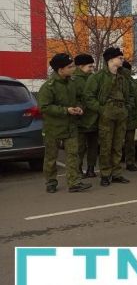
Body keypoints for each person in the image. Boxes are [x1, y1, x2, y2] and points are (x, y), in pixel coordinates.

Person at [38, 53, 91, 193]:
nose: (73, 68)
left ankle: (74, 183)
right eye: (70, 67)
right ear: (60, 70)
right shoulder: (49, 87)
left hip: (71, 126)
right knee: (51, 157)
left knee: (73, 154)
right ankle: (51, 182)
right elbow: (44, 107)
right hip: (53, 128)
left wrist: (80, 107)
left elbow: (80, 98)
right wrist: (65, 110)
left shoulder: (72, 82)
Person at [85, 47, 132, 186]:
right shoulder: (98, 77)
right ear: (111, 60)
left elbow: (129, 95)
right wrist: (101, 109)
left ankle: (116, 173)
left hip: (121, 113)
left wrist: (127, 108)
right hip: (107, 114)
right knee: (106, 145)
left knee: (118, 145)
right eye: (120, 58)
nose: (122, 60)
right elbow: (89, 96)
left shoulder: (123, 76)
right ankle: (105, 174)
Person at [72, 53, 98, 178]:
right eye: (89, 66)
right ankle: (77, 170)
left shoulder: (93, 78)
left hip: (94, 118)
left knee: (93, 147)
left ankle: (91, 169)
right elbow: (73, 98)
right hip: (80, 119)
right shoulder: (73, 80)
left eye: (92, 66)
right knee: (80, 148)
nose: (92, 69)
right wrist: (79, 108)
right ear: (81, 66)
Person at [121, 61, 137, 172]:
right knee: (128, 142)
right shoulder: (125, 80)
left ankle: (128, 162)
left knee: (127, 142)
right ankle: (130, 162)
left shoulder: (131, 81)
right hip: (125, 115)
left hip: (128, 115)